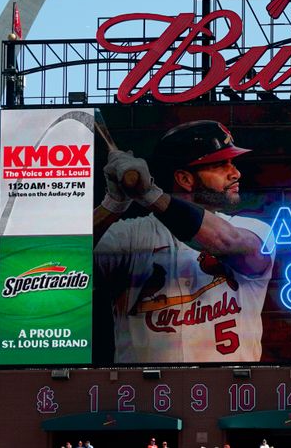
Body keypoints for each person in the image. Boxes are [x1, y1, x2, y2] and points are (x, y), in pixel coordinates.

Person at [94, 120, 273, 363]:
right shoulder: (129, 236)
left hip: (229, 393)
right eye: (221, 164)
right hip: (144, 395)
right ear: (185, 179)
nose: (235, 173)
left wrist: (150, 194)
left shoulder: (251, 229)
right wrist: (112, 205)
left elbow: (226, 242)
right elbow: (65, 264)